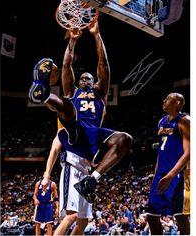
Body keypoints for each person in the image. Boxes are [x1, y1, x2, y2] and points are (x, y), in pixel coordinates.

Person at [28, 20, 133, 203]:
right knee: (67, 104)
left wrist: (96, 34)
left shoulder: (100, 93)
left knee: (125, 138)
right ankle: (42, 95)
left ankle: (91, 181)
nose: (84, 79)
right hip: (74, 131)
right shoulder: (73, 91)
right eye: (82, 78)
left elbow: (103, 63)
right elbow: (67, 66)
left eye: (88, 78)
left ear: (94, 82)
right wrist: (72, 41)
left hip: (92, 137)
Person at [146, 92, 190, 235]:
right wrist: (155, 175)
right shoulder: (161, 121)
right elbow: (160, 153)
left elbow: (189, 152)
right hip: (161, 174)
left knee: (180, 217)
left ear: (178, 103)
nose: (164, 101)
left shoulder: (185, 121)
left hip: (178, 174)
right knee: (151, 216)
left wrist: (171, 175)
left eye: (168, 99)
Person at [41, 134, 93, 235]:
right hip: (71, 169)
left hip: (86, 173)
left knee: (83, 221)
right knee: (72, 215)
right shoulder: (64, 130)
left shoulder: (88, 132)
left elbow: (93, 161)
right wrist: (47, 175)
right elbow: (54, 150)